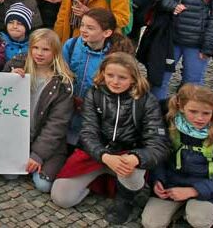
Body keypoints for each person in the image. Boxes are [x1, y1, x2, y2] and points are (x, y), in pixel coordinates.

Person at [51, 53, 169, 225]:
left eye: (122, 77)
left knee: (133, 171)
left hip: (127, 155)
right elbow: (87, 132)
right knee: (62, 198)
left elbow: (158, 144)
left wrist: (136, 157)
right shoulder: (95, 93)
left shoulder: (147, 100)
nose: (115, 81)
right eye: (110, 75)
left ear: (133, 78)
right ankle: (96, 181)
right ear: (103, 74)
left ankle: (125, 200)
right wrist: (104, 156)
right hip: (97, 153)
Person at [141, 84, 213, 228]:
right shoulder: (169, 126)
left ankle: (195, 213)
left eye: (206, 113)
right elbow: (159, 158)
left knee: (199, 219)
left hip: (207, 189)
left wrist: (193, 191)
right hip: (172, 185)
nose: (199, 118)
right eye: (193, 111)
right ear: (181, 108)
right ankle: (182, 211)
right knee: (151, 223)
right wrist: (157, 180)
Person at [6, 29, 75, 192]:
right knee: (9, 175)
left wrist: (37, 155)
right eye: (35, 48)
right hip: (18, 138)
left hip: (47, 143)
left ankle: (41, 161)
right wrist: (8, 78)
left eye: (46, 49)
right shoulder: (18, 64)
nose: (39, 53)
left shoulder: (62, 83)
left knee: (43, 185)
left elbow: (56, 125)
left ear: (55, 52)